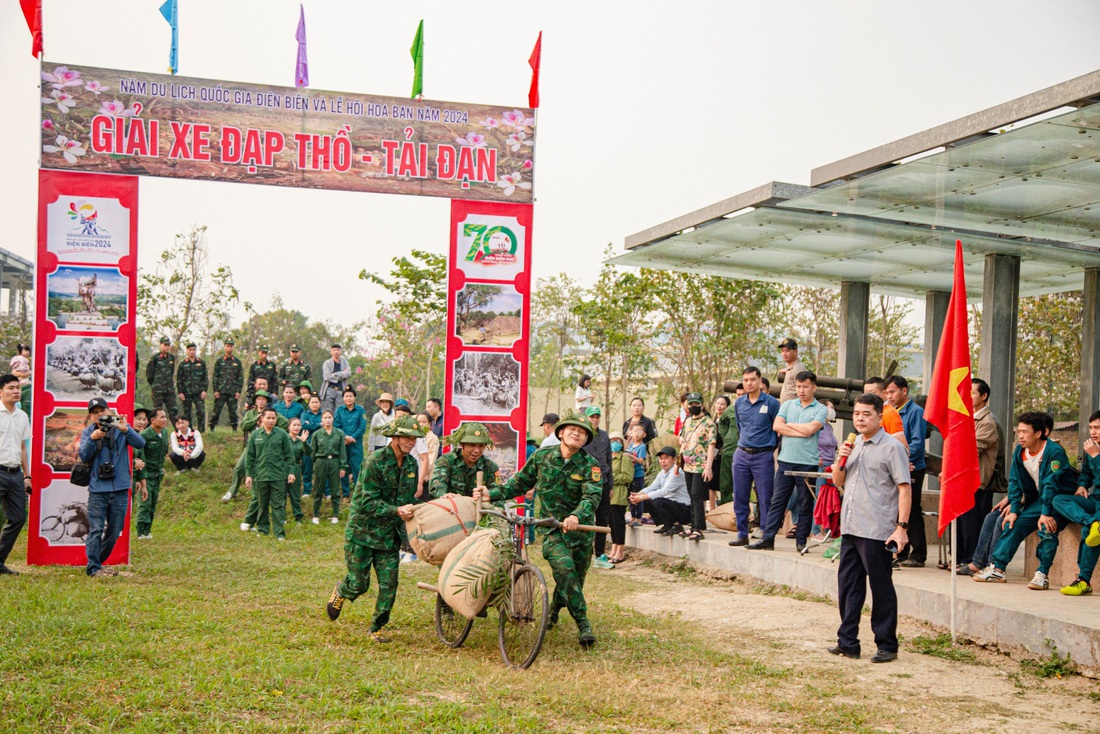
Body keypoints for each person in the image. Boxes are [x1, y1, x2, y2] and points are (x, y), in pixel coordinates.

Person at [475, 411, 602, 648]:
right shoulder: (542, 457)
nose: (577, 433)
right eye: (572, 429)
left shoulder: (590, 465)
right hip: (552, 529)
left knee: (573, 582)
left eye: (583, 432)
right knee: (564, 571)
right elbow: (519, 483)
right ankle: (584, 625)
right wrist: (490, 494)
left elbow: (591, 497)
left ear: (585, 440)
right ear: (561, 433)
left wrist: (576, 515)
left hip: (580, 532)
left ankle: (554, 611)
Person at [326, 415, 425, 643]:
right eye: (407, 437)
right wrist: (397, 510)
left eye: (414, 438)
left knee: (390, 584)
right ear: (395, 437)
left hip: (389, 536)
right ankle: (342, 591)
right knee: (360, 584)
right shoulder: (375, 461)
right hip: (363, 532)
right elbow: (365, 502)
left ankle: (376, 628)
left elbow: (407, 497)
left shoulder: (411, 464)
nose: (411, 442)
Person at [830, 393, 911, 663]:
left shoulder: (891, 447)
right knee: (848, 586)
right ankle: (848, 642)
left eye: (866, 414)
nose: (860, 419)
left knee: (881, 587)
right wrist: (841, 459)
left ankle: (887, 644)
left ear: (879, 417)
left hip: (877, 528)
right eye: (856, 414)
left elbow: (904, 488)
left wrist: (901, 528)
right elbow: (839, 480)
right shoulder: (854, 445)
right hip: (851, 526)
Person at [973, 412, 1077, 589]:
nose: (1020, 436)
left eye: (1025, 432)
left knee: (1047, 527)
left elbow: (1051, 484)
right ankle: (998, 569)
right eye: (1018, 431)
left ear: (1038, 433)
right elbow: (1014, 481)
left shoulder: (1054, 452)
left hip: (1061, 500)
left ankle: (1042, 574)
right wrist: (1014, 509)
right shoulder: (1020, 451)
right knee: (1014, 522)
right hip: (1040, 499)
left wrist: (1045, 514)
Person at [748, 371, 828, 552]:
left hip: (808, 463)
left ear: (813, 387)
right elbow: (777, 426)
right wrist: (802, 429)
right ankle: (768, 539)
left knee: (805, 502)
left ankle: (801, 540)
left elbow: (811, 429)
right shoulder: (787, 405)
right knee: (777, 501)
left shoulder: (820, 409)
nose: (801, 390)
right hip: (785, 461)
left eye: (805, 387)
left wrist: (789, 426)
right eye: (798, 387)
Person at [78, 397, 145, 577]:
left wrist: (127, 429)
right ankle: (93, 568)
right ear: (91, 416)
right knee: (96, 529)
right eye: (96, 412)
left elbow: (140, 443)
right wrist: (92, 439)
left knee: (115, 530)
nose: (100, 415)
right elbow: (83, 456)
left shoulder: (121, 428)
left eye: (103, 411)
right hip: (98, 488)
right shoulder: (88, 432)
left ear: (109, 411)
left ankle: (97, 562)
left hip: (121, 487)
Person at [1049, 410, 1100, 595]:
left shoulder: (1094, 451)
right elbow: (1086, 473)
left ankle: (1083, 580)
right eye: (1091, 427)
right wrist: (1081, 486)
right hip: (1094, 501)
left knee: (1089, 533)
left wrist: (1097, 456)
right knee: (1059, 499)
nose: (1093, 432)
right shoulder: (1092, 448)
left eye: (1098, 428)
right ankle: (1093, 522)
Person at [956, 378, 1002, 569]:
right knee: (961, 521)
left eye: (972, 393)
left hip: (977, 480)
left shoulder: (987, 422)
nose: (968, 397)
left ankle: (970, 560)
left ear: (984, 396)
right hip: (963, 478)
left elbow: (971, 449)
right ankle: (959, 559)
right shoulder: (968, 417)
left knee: (972, 523)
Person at [731, 367, 780, 546]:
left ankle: (767, 537)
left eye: (752, 379)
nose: (749, 383)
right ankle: (742, 533)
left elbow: (777, 430)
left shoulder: (772, 403)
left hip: (763, 455)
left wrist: (768, 450)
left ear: (760, 381)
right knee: (740, 496)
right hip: (742, 454)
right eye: (746, 380)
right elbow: (739, 427)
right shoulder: (739, 403)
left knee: (766, 497)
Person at [884, 375, 927, 566]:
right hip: (894, 465)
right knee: (895, 509)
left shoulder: (916, 412)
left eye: (893, 391)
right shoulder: (887, 411)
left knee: (912, 509)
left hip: (912, 466)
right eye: (887, 392)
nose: (889, 396)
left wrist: (904, 460)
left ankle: (918, 554)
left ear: (904, 391)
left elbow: (917, 442)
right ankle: (900, 551)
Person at [223, 390, 288, 503]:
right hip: (252, 446)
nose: (261, 401)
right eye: (259, 399)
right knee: (239, 467)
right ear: (255, 401)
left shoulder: (272, 413)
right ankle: (232, 491)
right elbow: (244, 426)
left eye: (263, 399)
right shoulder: (250, 413)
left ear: (267, 401)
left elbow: (286, 423)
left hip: (267, 447)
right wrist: (256, 418)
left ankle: (264, 496)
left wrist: (273, 426)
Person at [244, 408, 295, 540]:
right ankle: (262, 529)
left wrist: (291, 472)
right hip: (260, 476)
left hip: (278, 476)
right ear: (262, 419)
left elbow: (289, 456)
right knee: (262, 504)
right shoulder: (255, 435)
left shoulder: (282, 434)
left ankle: (279, 533)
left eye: (273, 418)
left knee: (278, 505)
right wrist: (249, 475)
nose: (271, 420)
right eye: (268, 418)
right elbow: (250, 457)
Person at [0, 374, 31, 575]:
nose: (16, 391)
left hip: (15, 474)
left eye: (18, 387)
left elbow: (22, 447)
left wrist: (27, 475)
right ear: (1, 391)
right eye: (11, 388)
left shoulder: (22, 416)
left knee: (19, 517)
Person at [678, 392, 716, 542]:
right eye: (690, 404)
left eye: (696, 404)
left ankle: (698, 527)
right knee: (690, 495)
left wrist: (708, 467)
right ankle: (693, 524)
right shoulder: (687, 421)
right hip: (687, 464)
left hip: (701, 464)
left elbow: (711, 445)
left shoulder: (708, 423)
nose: (693, 406)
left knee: (697, 494)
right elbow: (684, 441)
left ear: (702, 405)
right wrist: (678, 463)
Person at [631, 446, 690, 536]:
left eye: (666, 458)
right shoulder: (662, 472)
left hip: (684, 510)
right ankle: (667, 524)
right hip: (672, 505)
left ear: (674, 460)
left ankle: (676, 525)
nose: (663, 461)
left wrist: (641, 497)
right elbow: (652, 487)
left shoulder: (677, 472)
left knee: (658, 502)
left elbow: (664, 491)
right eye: (661, 458)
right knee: (648, 500)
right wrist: (637, 495)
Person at [430, 421, 499, 498]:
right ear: (462, 444)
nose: (477, 450)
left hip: (477, 507)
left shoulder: (490, 466)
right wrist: (443, 495)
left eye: (481, 446)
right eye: (472, 445)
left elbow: (496, 491)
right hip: (451, 505)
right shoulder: (447, 461)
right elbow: (437, 482)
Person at [582, 406, 614, 566]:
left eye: (597, 417)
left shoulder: (604, 436)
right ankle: (585, 551)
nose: (595, 419)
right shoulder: (583, 436)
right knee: (586, 516)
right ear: (587, 418)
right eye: (592, 417)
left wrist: (612, 485)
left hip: (604, 482)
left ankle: (600, 554)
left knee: (603, 518)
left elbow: (609, 460)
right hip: (587, 483)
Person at [135, 408, 170, 539]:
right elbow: (140, 456)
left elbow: (163, 452)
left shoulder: (165, 433)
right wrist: (139, 477)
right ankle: (141, 532)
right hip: (146, 474)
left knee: (152, 504)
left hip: (157, 474)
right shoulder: (145, 435)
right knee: (144, 504)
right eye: (161, 417)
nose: (165, 420)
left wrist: (161, 467)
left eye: (165, 417)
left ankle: (148, 531)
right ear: (153, 420)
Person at [309, 409, 347, 524]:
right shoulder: (317, 434)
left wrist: (343, 466)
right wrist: (316, 464)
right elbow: (312, 452)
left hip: (334, 462)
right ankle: (316, 515)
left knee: (335, 489)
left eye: (329, 417)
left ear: (333, 419)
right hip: (321, 461)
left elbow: (342, 451)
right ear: (321, 420)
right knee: (318, 489)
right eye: (325, 418)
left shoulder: (339, 433)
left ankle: (335, 515)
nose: (327, 420)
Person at [334, 387, 367, 498]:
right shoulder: (339, 410)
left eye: (350, 396)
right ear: (343, 398)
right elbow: (336, 426)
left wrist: (352, 437)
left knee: (357, 468)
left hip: (356, 444)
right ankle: (346, 492)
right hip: (343, 444)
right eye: (346, 396)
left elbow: (362, 427)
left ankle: (358, 493)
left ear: (354, 397)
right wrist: (345, 437)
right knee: (344, 466)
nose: (348, 398)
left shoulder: (360, 410)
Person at [862, 378, 909, 454]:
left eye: (872, 393)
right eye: (865, 393)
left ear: (884, 393)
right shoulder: (873, 411)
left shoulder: (889, 414)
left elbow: (902, 447)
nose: (868, 397)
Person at [209, 338, 244, 432]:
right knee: (216, 411)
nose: (229, 348)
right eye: (227, 346)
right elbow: (215, 376)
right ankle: (212, 428)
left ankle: (234, 429)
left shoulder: (237, 362)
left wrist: (238, 391)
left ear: (233, 347)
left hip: (233, 391)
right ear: (224, 347)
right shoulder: (219, 361)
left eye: (231, 346)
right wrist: (215, 390)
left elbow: (240, 377)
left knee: (233, 412)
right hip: (221, 391)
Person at [608, 430, 632, 564]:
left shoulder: (625, 457)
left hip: (619, 494)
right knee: (611, 523)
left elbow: (627, 477)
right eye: (612, 441)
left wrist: (611, 479)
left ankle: (620, 551)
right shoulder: (609, 457)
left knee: (618, 523)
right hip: (609, 495)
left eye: (617, 441)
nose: (614, 444)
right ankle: (614, 547)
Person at [176, 342, 208, 432]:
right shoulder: (183, 364)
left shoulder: (201, 363)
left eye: (194, 349)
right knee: (187, 413)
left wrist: (204, 390)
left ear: (196, 350)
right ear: (187, 351)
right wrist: (180, 392)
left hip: (199, 392)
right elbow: (179, 379)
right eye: (190, 350)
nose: (192, 352)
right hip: (186, 393)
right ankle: (189, 430)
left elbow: (205, 378)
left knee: (201, 411)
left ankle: (201, 430)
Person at [707, 395, 731, 511]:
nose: (719, 406)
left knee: (725, 484)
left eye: (722, 404)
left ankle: (725, 509)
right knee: (711, 484)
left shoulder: (728, 422)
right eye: (717, 403)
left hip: (725, 456)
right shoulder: (712, 422)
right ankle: (712, 509)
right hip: (714, 456)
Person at [286, 417, 311, 525]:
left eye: (298, 425)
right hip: (283, 467)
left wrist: (305, 442)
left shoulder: (301, 440)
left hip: (296, 467)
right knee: (281, 494)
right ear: (289, 427)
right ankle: (281, 517)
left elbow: (308, 452)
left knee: (295, 494)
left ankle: (298, 517)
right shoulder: (284, 439)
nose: (296, 427)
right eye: (294, 425)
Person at [715, 393, 738, 507]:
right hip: (729, 450)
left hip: (746, 451)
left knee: (742, 485)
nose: (741, 396)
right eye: (738, 394)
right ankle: (726, 510)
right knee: (725, 484)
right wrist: (727, 438)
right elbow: (722, 423)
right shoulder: (731, 410)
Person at [624, 424, 648, 526]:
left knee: (638, 496)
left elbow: (641, 461)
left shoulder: (642, 446)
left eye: (639, 432)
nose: (636, 434)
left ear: (644, 434)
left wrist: (630, 455)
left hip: (638, 475)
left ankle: (638, 518)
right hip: (630, 475)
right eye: (634, 431)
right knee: (630, 496)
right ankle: (633, 517)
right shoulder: (631, 445)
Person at [300, 395, 323, 497]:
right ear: (309, 404)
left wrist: (311, 425)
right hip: (308, 444)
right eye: (312, 402)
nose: (314, 404)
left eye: (316, 402)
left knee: (322, 468)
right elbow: (304, 426)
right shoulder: (305, 414)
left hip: (322, 444)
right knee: (307, 468)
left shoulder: (323, 414)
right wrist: (318, 424)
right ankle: (306, 490)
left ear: (320, 403)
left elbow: (327, 425)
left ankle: (324, 491)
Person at [146, 337, 177, 414]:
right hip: (158, 389)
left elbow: (171, 372)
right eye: (165, 344)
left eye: (168, 345)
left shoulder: (172, 358)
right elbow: (149, 373)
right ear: (160, 345)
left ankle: (177, 426)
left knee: (174, 410)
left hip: (169, 389)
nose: (167, 347)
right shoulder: (155, 358)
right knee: (157, 410)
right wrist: (155, 384)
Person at [320, 344, 351, 415]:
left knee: (340, 411)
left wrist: (336, 374)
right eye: (334, 350)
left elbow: (348, 373)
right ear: (331, 351)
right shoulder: (327, 363)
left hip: (341, 390)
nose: (336, 352)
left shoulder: (345, 362)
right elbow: (327, 377)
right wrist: (342, 375)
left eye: (338, 350)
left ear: (341, 351)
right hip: (329, 389)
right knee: (327, 411)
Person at [776, 338, 807, 404]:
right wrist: (786, 370)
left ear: (795, 351)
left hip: (794, 409)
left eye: (787, 351)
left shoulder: (798, 369)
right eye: (782, 351)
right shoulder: (791, 368)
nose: (784, 354)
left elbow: (804, 391)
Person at [415, 412, 441, 492]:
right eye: (418, 422)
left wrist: (423, 474)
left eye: (424, 422)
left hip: (426, 476)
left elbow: (431, 458)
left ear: (429, 423)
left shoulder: (433, 438)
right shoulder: (414, 436)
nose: (421, 424)